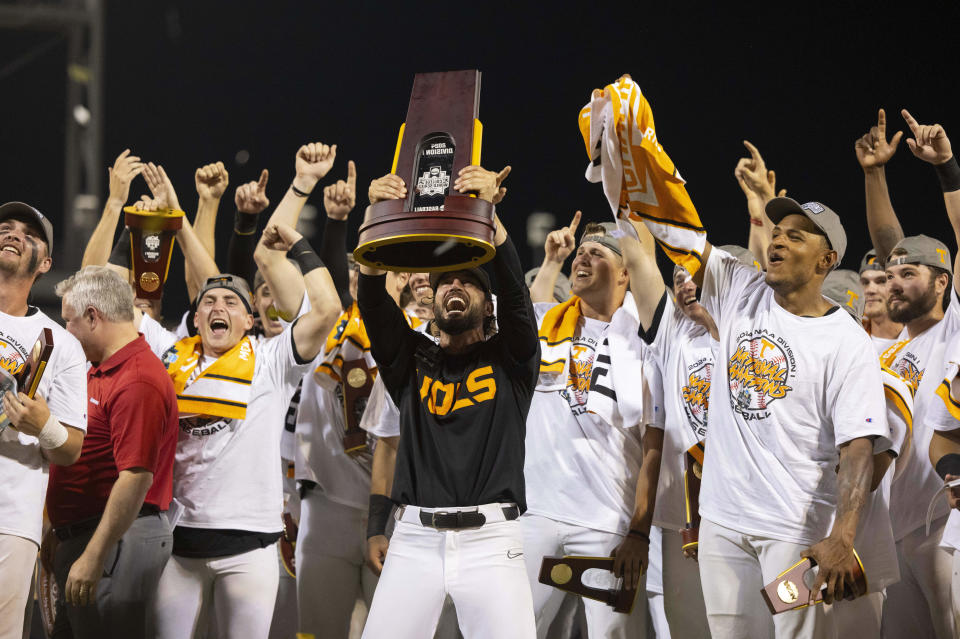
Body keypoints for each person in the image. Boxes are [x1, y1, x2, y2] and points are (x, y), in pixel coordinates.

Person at [659, 195, 890, 639]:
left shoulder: (847, 341)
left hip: (795, 528)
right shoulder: (739, 287)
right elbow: (678, 234)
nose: (777, 242)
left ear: (826, 260)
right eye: (776, 233)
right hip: (722, 521)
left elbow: (858, 448)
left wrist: (843, 535)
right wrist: (634, 157)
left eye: (795, 236)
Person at [357, 165, 539, 639]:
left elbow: (518, 297)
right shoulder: (412, 361)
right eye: (444, 283)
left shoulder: (513, 362)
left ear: (487, 301)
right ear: (432, 304)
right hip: (414, 537)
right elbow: (374, 304)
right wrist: (376, 216)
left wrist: (490, 219)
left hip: (493, 540)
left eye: (469, 281)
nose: (454, 287)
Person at [523, 214, 659, 638]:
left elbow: (655, 441)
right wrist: (551, 262)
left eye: (596, 253)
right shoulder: (551, 324)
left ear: (625, 272)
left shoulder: (647, 342)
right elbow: (531, 308)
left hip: (608, 524)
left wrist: (639, 530)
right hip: (536, 514)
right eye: (580, 252)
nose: (582, 257)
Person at [856, 108, 960, 639]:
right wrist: (875, 173)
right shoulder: (887, 350)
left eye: (908, 274)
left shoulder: (955, 327)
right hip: (898, 530)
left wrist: (947, 171)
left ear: (942, 283)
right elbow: (884, 239)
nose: (892, 284)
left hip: (947, 526)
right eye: (888, 274)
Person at [40, 266, 177, 638]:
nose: (66, 331)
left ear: (92, 316)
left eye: (69, 321)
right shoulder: (104, 369)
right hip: (94, 536)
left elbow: (136, 476)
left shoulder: (138, 379)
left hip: (117, 540)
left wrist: (94, 553)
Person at [0, 202, 87, 639]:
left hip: (9, 517)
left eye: (27, 234)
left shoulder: (60, 344)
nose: (12, 234)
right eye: (5, 227)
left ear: (45, 264)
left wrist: (43, 426)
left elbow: (70, 448)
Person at [859, 249, 903, 353]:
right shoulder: (853, 340)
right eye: (865, 283)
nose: (870, 290)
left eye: (882, 281)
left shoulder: (920, 340)